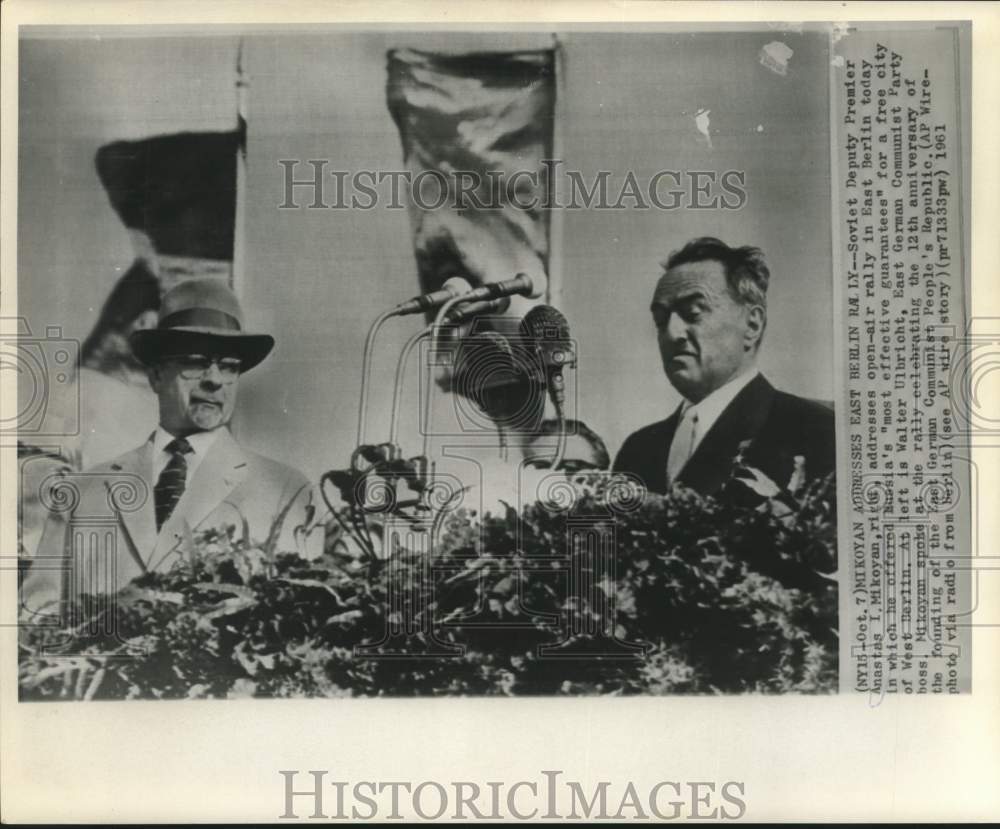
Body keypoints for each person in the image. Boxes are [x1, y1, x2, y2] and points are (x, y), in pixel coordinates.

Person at [22, 278, 318, 616]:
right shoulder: (80, 493)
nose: (215, 379)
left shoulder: (284, 491)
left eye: (229, 366)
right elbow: (36, 619)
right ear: (156, 375)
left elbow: (297, 629)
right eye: (195, 361)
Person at [613, 237, 834, 497]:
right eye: (661, 320)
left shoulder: (816, 432)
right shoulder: (638, 449)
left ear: (752, 325)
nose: (672, 333)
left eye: (693, 312)